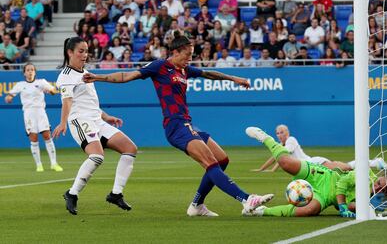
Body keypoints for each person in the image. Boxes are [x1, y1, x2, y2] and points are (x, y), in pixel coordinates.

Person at [82, 31, 274, 217]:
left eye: (191, 55)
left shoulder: (184, 69)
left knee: (222, 160)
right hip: (175, 125)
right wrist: (100, 78)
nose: (189, 59)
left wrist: (234, 78)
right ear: (175, 52)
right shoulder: (159, 66)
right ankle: (246, 199)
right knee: (209, 162)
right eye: (187, 55)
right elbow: (127, 76)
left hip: (187, 124)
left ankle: (197, 205)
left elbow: (208, 74)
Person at [52, 37, 138, 215]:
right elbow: (67, 101)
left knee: (130, 149)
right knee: (97, 157)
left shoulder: (86, 73)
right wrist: (62, 123)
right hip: (80, 120)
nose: (85, 55)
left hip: (96, 120)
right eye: (81, 51)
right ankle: (72, 193)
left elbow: (91, 103)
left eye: (86, 51)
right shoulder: (66, 76)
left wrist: (106, 117)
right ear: (70, 52)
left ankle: (116, 194)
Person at [244, 126, 387, 217]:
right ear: (379, 177)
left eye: (383, 189)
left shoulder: (378, 204)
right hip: (323, 175)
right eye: (380, 183)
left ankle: (260, 211)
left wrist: (363, 206)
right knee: (286, 164)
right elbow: (343, 184)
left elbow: (352, 206)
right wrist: (343, 206)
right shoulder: (365, 176)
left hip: (325, 196)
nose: (378, 187)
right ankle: (266, 138)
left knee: (309, 210)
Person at [251, 124, 387, 172]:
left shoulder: (291, 140)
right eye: (278, 133)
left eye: (282, 132)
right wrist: (262, 169)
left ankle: (376, 162)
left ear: (287, 133)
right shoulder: (282, 145)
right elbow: (276, 157)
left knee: (344, 168)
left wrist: (272, 170)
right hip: (309, 167)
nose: (280, 135)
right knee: (345, 169)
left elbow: (282, 158)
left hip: (313, 164)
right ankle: (374, 163)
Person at [5, 63, 63, 172]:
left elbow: (53, 91)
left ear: (35, 72)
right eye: (28, 70)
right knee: (34, 138)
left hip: (41, 112)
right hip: (28, 113)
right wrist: (8, 98)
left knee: (47, 135)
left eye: (32, 70)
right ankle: (39, 165)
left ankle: (54, 163)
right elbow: (9, 96)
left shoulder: (41, 82)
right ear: (24, 73)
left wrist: (50, 91)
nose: (30, 71)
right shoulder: (20, 84)